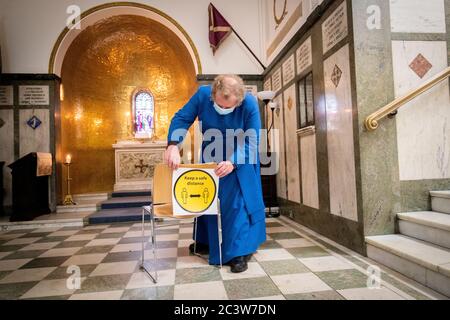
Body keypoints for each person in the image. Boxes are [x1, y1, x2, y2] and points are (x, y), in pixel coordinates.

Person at [165, 74, 266, 273]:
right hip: (211, 155)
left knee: (238, 204)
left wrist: (233, 162)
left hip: (241, 158)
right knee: (208, 198)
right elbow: (182, 118)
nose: (224, 111)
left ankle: (238, 253)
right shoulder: (203, 95)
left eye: (230, 107)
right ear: (213, 95)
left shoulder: (249, 104)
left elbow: (252, 140)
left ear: (239, 100)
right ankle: (206, 241)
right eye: (220, 105)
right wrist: (173, 145)